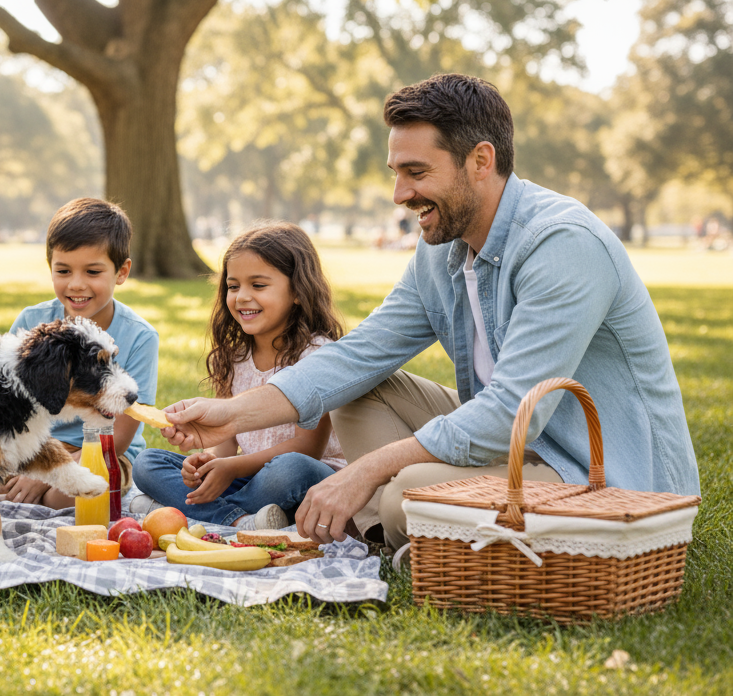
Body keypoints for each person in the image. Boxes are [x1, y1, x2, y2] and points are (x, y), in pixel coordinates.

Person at [161, 73, 700, 550]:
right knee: (358, 390)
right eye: (396, 172)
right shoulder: (440, 248)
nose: (400, 194)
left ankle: (388, 520)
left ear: (481, 161)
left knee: (404, 499)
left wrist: (367, 471)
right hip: (511, 445)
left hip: (598, 471)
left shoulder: (561, 244)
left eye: (416, 172)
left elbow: (513, 411)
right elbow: (357, 357)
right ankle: (396, 529)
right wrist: (233, 414)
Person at [0, 197, 159, 509]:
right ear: (50, 268)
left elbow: (120, 437)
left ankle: (17, 493)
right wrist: (29, 465)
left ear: (121, 272)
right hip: (27, 445)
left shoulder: (140, 336)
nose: (76, 284)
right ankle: (16, 493)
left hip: (102, 452)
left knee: (62, 496)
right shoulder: (33, 322)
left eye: (92, 271)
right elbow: (2, 403)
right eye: (63, 270)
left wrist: (49, 474)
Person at [131, 224, 346, 530]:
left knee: (291, 469)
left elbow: (307, 448)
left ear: (298, 291)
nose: (242, 297)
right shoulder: (235, 358)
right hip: (248, 476)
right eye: (233, 286)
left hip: (307, 478)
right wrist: (207, 463)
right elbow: (226, 439)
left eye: (258, 285)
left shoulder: (317, 355)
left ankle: (192, 510)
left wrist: (231, 467)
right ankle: (242, 519)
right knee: (147, 463)